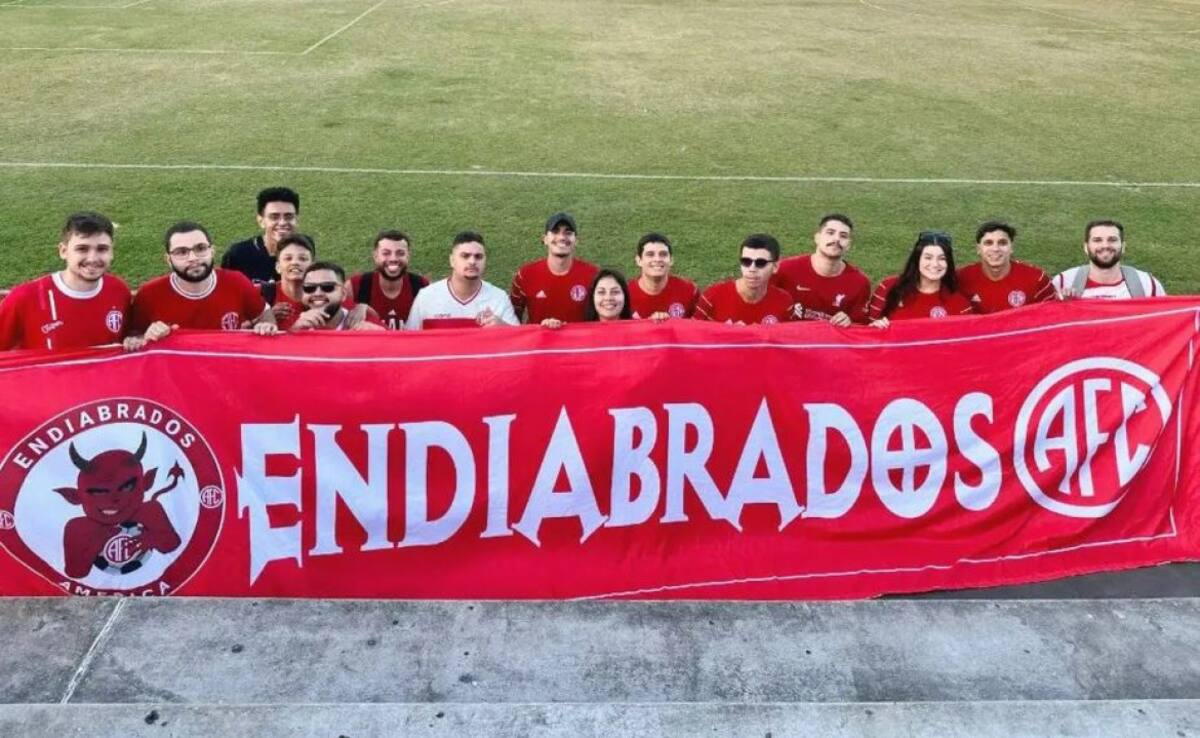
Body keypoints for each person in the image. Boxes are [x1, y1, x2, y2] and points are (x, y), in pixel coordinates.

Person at [0, 212, 144, 352]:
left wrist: (134, 339)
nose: (92, 258)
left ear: (111, 252)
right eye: (82, 249)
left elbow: (127, 337)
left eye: (102, 249)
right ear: (63, 251)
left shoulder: (118, 290)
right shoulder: (25, 297)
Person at [130, 221, 278, 338]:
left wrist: (266, 326)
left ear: (212, 251)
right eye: (181, 252)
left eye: (200, 248)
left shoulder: (236, 282)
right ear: (168, 259)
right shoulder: (149, 294)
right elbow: (133, 338)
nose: (193, 258)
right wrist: (147, 336)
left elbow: (265, 315)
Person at [407, 231, 519, 329]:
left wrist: (503, 327)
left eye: (478, 256)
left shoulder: (498, 298)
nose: (472, 262)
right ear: (452, 260)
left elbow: (519, 341)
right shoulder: (427, 297)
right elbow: (409, 340)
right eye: (465, 256)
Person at [774, 213, 872, 325]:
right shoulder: (785, 269)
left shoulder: (859, 283)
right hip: (788, 339)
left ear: (848, 245)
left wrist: (850, 322)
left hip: (829, 342)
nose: (836, 239)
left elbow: (861, 327)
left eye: (843, 236)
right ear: (817, 238)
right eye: (830, 233)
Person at [868, 231, 975, 326]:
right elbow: (864, 333)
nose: (935, 264)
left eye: (942, 258)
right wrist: (874, 327)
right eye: (928, 257)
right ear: (917, 260)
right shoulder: (887, 288)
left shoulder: (960, 305)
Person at [510, 212, 599, 325]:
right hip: (539, 342)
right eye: (555, 231)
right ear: (545, 239)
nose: (562, 237)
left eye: (568, 232)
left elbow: (603, 317)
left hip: (579, 342)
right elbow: (512, 320)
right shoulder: (525, 275)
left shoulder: (593, 275)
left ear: (576, 240)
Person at [693, 234, 795, 325]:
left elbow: (787, 340)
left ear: (775, 267)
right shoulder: (712, 297)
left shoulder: (784, 303)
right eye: (746, 261)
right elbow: (693, 335)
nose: (752, 269)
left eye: (760, 263)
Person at [956, 221, 1055, 313]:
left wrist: (1065, 300)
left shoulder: (1036, 279)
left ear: (1011, 248)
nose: (995, 249)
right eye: (988, 243)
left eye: (1002, 243)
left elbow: (1051, 314)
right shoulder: (959, 279)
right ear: (978, 249)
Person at [1052, 220, 1166, 300]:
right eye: (1097, 240)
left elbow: (1166, 321)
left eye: (1112, 240)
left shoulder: (1147, 284)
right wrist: (1062, 306)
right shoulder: (1062, 283)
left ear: (1123, 246)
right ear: (1086, 247)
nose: (1105, 245)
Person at [347, 230, 429, 330]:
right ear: (376, 256)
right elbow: (335, 322)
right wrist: (358, 306)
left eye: (400, 253)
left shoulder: (422, 286)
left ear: (408, 256)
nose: (393, 259)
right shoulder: (355, 286)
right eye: (386, 253)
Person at [221, 187, 301, 285]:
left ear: (296, 220)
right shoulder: (238, 255)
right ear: (261, 221)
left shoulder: (303, 251)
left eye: (288, 217)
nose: (282, 223)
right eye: (274, 217)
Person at [290, 262, 384, 331]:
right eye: (309, 288)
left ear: (343, 294)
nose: (317, 293)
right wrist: (294, 331)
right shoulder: (291, 317)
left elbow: (396, 348)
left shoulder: (362, 319)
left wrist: (380, 335)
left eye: (327, 287)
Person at [627, 232, 698, 320]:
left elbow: (701, 328)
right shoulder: (625, 293)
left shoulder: (689, 291)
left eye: (663, 254)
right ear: (639, 260)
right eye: (650, 254)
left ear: (671, 260)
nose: (657, 259)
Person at [260, 233, 316, 330]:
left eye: (303, 259)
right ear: (278, 267)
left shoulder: (327, 295)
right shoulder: (261, 294)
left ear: (314, 266)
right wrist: (265, 317)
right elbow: (236, 330)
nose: (295, 263)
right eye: (288, 258)